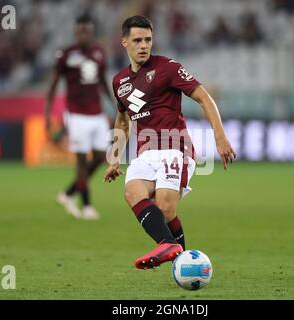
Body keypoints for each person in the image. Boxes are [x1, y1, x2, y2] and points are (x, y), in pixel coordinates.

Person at [103, 16, 236, 269]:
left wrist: (220, 137)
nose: (143, 45)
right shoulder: (119, 82)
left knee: (164, 210)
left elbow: (204, 97)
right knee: (132, 192)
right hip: (145, 153)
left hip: (176, 149)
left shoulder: (168, 68)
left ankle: (172, 248)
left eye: (148, 40)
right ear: (124, 42)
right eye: (137, 40)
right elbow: (122, 121)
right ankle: (178, 254)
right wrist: (114, 158)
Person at [44, 14, 113, 220]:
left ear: (92, 32)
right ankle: (87, 206)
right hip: (76, 114)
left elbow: (102, 81)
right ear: (75, 32)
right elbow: (53, 85)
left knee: (102, 157)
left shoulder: (99, 53)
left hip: (97, 113)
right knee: (81, 160)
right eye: (80, 31)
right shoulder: (66, 55)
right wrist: (47, 115)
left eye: (87, 30)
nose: (83, 34)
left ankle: (68, 193)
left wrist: (115, 104)